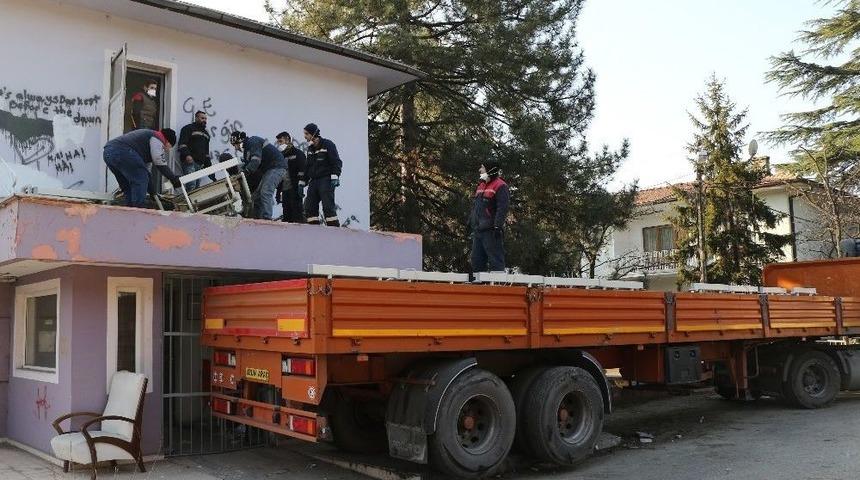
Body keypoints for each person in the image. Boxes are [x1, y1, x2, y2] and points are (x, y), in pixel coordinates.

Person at [103, 128, 182, 208]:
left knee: (127, 184)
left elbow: (147, 174)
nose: (166, 150)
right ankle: (139, 210)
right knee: (140, 179)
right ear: (167, 141)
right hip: (122, 151)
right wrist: (173, 178)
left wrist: (153, 193)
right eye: (169, 147)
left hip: (108, 153)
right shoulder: (157, 138)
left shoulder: (145, 146)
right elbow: (159, 162)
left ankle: (129, 210)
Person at [230, 131, 288, 220]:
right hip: (269, 169)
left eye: (236, 145)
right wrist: (239, 174)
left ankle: (266, 218)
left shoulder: (253, 142)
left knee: (265, 192)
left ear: (240, 141)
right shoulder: (248, 149)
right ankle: (257, 219)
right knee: (256, 196)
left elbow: (255, 161)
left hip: (277, 167)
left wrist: (244, 172)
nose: (236, 148)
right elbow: (247, 164)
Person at [470, 159, 510, 272]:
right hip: (478, 230)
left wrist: (497, 226)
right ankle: (479, 287)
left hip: (491, 230)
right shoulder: (481, 186)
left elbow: (503, 208)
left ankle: (497, 286)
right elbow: (476, 207)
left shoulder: (500, 185)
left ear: (489, 170)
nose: (480, 170)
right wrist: (471, 222)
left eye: (482, 167)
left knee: (495, 260)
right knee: (476, 260)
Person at [303, 123, 342, 226]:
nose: (305, 136)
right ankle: (314, 231)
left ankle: (334, 231)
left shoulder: (328, 144)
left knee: (328, 206)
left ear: (313, 133)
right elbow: (308, 167)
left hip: (326, 180)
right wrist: (302, 181)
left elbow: (336, 162)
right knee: (309, 206)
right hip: (314, 181)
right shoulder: (310, 149)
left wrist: (335, 176)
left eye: (306, 134)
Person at [275, 131, 306, 223]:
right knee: (286, 216)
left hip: (294, 189)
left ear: (288, 140)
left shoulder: (298, 154)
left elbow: (303, 170)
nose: (279, 144)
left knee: (297, 215)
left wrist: (301, 184)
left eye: (281, 141)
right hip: (284, 190)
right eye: (278, 142)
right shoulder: (281, 156)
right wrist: (278, 192)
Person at [177, 110, 213, 190]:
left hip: (200, 164)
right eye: (202, 118)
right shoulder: (188, 128)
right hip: (190, 162)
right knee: (191, 186)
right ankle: (188, 202)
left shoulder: (206, 134)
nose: (204, 120)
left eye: (205, 119)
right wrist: (187, 155)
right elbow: (182, 144)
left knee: (197, 188)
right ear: (196, 118)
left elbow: (206, 151)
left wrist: (208, 165)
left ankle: (193, 202)